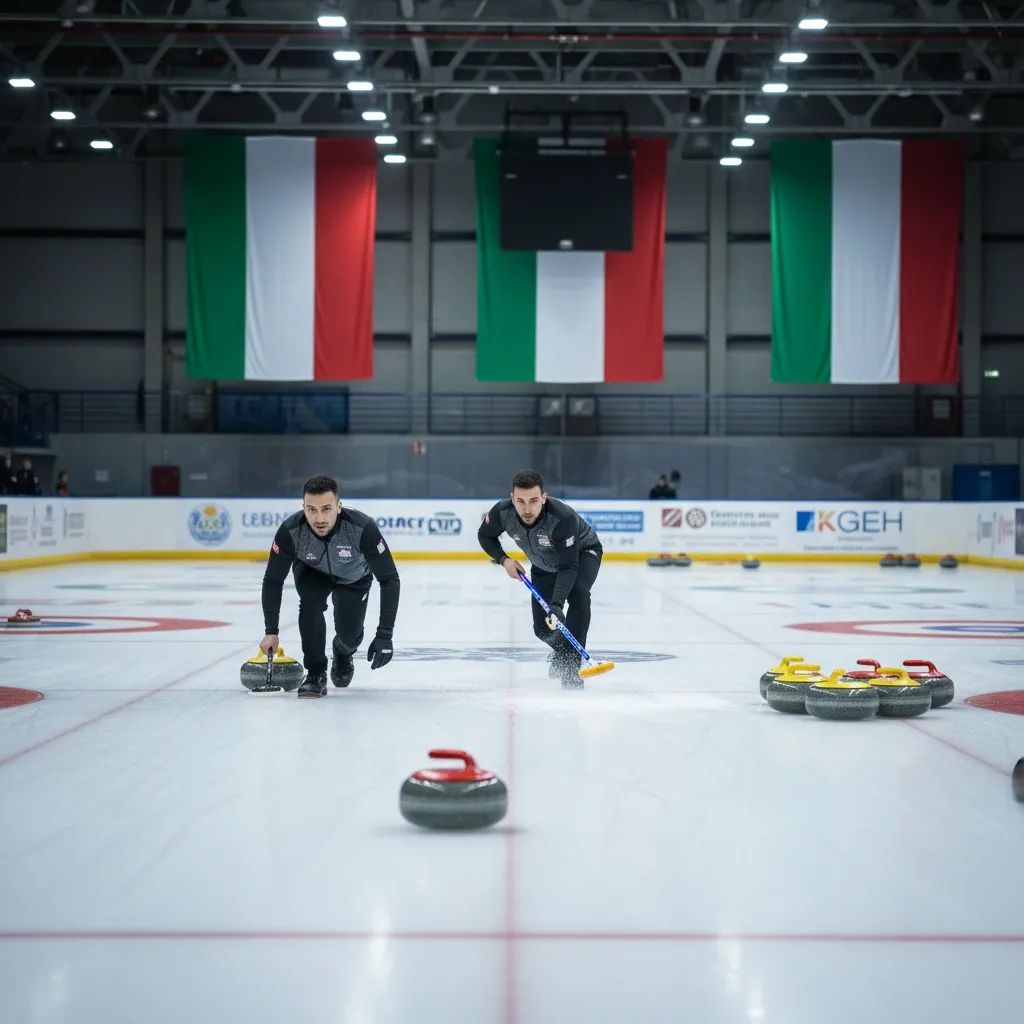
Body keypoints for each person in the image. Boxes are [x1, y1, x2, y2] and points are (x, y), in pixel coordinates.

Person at [259, 474, 400, 698]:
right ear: (303, 507)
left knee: (350, 636)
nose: (319, 518)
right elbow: (273, 580)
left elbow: (389, 579)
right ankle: (315, 673)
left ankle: (343, 651)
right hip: (312, 572)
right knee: (310, 604)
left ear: (339, 507)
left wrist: (385, 634)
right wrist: (271, 632)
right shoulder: (291, 531)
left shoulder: (362, 529)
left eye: (326, 509)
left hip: (354, 579)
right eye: (311, 510)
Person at [478, 469, 603, 685]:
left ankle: (570, 670)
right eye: (521, 501)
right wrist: (504, 560)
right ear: (512, 498)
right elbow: (485, 535)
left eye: (534, 500)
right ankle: (565, 652)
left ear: (544, 498)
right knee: (543, 630)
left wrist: (556, 604)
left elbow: (569, 566)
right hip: (543, 565)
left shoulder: (561, 518)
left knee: (579, 594)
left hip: (582, 554)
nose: (527, 509)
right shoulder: (502, 513)